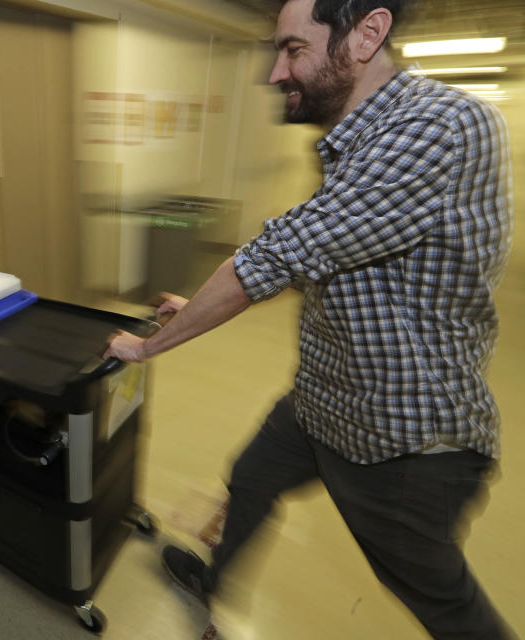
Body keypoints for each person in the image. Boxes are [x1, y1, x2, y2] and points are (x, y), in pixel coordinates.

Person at [103, 0, 515, 637]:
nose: (275, 73)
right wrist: (199, 308)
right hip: (324, 399)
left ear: (366, 34)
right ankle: (212, 585)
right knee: (251, 478)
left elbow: (281, 251)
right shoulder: (360, 141)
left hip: (401, 435)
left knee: (441, 600)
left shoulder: (444, 125)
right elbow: (343, 264)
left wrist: (148, 347)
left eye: (294, 49)